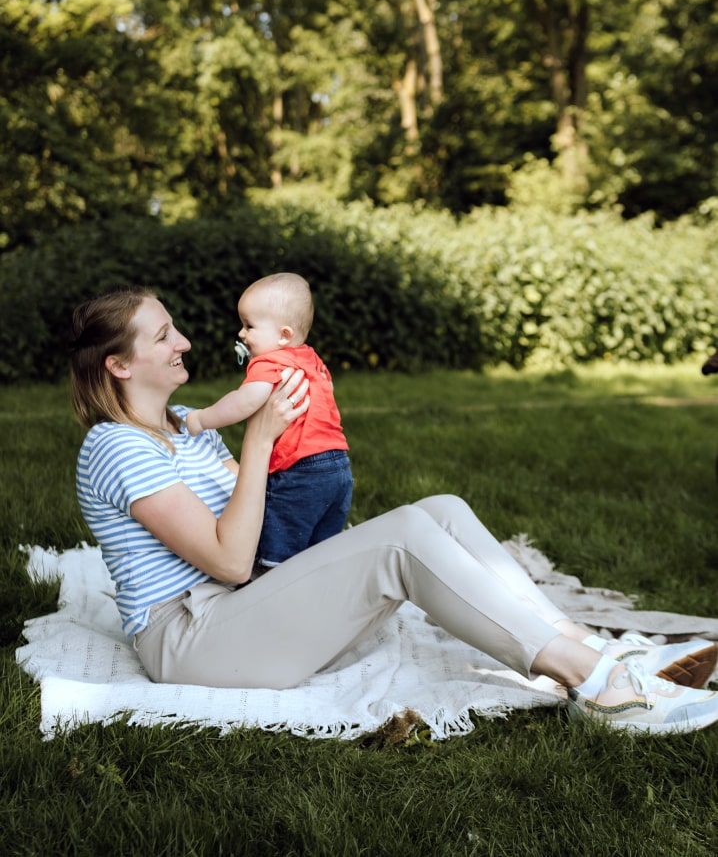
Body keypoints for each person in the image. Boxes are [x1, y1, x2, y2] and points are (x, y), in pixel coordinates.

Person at [70, 286, 718, 735]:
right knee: (402, 538)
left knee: (441, 507)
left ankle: (581, 642)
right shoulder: (116, 447)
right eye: (162, 336)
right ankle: (600, 686)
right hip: (193, 640)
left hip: (243, 605)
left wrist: (293, 454)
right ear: (119, 365)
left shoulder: (189, 425)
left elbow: (258, 513)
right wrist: (263, 439)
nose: (184, 341)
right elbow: (233, 560)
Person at [185, 273, 352, 568]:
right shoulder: (311, 359)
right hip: (338, 467)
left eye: (249, 325)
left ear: (283, 336)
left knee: (279, 545)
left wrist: (202, 418)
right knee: (321, 548)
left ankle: (268, 579)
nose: (241, 333)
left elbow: (246, 400)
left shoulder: (269, 362)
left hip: (299, 470)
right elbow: (328, 389)